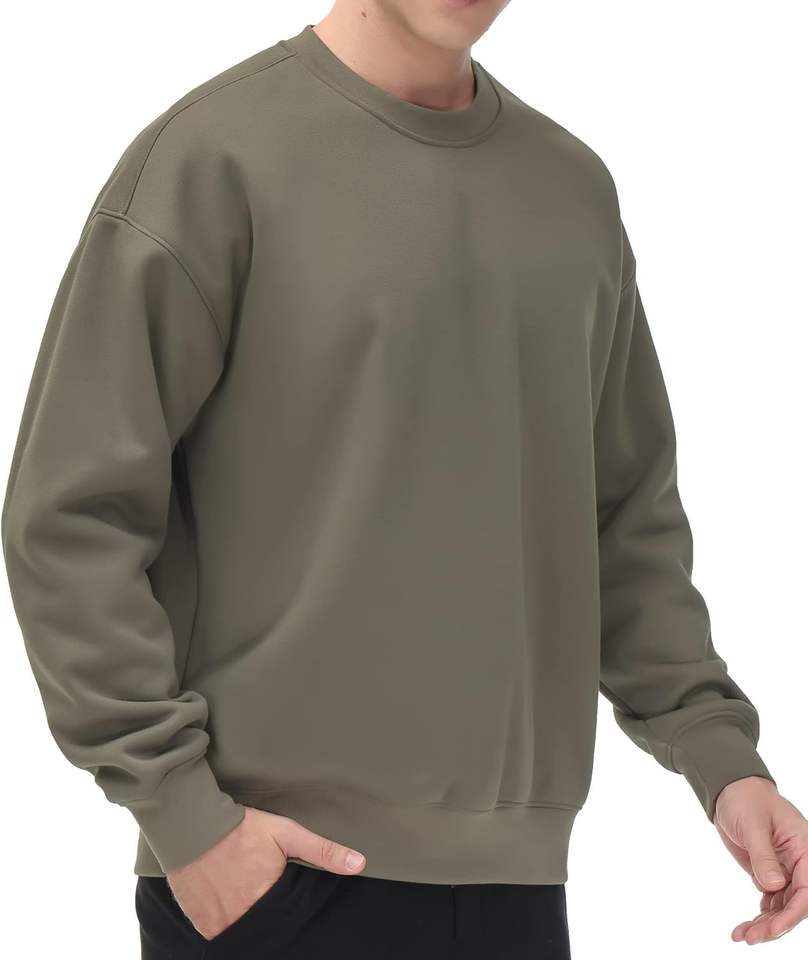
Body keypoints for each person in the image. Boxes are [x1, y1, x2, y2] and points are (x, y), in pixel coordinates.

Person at [3, 1, 806, 956]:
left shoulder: (570, 189)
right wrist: (185, 815)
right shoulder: (211, 162)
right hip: (274, 880)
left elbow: (620, 518)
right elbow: (71, 518)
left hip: (516, 888)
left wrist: (722, 758)